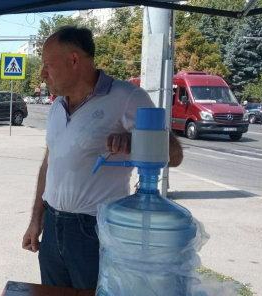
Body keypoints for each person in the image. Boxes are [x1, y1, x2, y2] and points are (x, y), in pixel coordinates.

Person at [21, 27, 184, 289]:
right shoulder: (57, 106)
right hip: (53, 227)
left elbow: (175, 156)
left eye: (47, 65)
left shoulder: (127, 97)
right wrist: (36, 221)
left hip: (95, 231)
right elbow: (49, 165)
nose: (42, 73)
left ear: (74, 60)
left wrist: (138, 143)